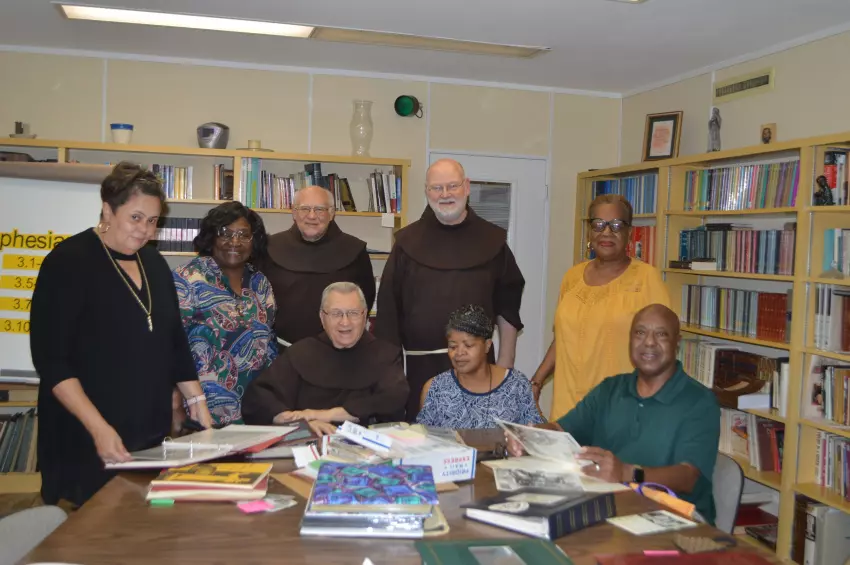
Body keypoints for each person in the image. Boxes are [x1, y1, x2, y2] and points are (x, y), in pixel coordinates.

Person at [30, 162, 212, 507]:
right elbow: (52, 362)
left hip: (147, 431)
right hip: (86, 432)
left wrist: (197, 402)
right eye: (136, 218)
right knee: (91, 527)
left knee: (141, 522)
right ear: (108, 210)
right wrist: (98, 428)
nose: (145, 231)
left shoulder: (154, 263)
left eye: (153, 221)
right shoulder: (67, 262)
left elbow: (174, 340)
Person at [509, 304, 720, 524]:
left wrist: (627, 473)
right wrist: (528, 436)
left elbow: (688, 477)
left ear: (677, 342)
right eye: (640, 333)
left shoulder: (699, 401)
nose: (649, 342)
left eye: (661, 334)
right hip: (610, 509)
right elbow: (561, 429)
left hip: (674, 519)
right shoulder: (610, 389)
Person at [375, 158, 525, 421]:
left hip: (478, 371)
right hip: (420, 370)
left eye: (452, 186)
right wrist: (389, 375)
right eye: (437, 188)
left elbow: (508, 309)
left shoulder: (493, 242)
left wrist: (505, 366)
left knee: (477, 437)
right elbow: (388, 315)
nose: (445, 194)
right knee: (424, 438)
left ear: (466, 187)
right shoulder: (406, 244)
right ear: (427, 191)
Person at [530, 194, 670, 419]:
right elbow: (562, 339)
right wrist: (536, 381)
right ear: (589, 231)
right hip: (569, 408)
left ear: (629, 232)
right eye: (598, 224)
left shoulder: (647, 279)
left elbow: (664, 350)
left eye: (616, 225)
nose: (606, 232)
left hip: (621, 409)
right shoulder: (572, 277)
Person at [242, 282, 408, 435]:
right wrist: (300, 424)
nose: (345, 322)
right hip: (306, 445)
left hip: (368, 446)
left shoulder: (385, 355)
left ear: (365, 316)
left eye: (353, 313)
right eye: (336, 314)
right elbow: (259, 397)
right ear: (322, 317)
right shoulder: (300, 353)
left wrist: (323, 415)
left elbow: (392, 399)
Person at [172, 201, 277, 427]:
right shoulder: (187, 279)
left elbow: (268, 344)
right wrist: (175, 401)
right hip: (202, 411)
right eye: (225, 234)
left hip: (256, 410)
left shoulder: (260, 283)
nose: (234, 242)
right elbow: (169, 344)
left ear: (254, 240)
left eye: (243, 235)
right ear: (211, 237)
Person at [255, 185, 375, 350]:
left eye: (320, 209)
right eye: (304, 209)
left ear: (331, 213)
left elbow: (365, 300)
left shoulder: (355, 251)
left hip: (338, 351)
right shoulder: (270, 248)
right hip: (281, 349)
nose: (312, 216)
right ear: (294, 212)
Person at [416, 305, 543, 429]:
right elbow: (424, 440)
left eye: (468, 345)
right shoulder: (436, 389)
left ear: (487, 345)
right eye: (453, 347)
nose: (459, 353)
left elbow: (536, 435)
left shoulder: (517, 385)